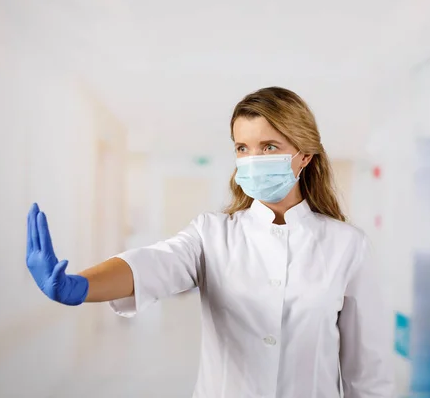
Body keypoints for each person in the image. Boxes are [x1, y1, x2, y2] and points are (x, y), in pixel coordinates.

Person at [26, 86, 394, 397]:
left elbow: (368, 373)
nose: (251, 159)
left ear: (305, 156)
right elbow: (154, 263)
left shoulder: (347, 246)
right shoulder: (212, 234)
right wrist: (81, 285)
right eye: (242, 148)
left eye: (268, 147)